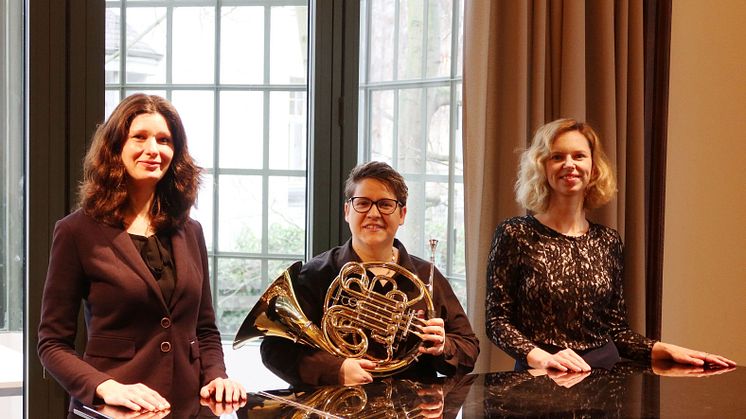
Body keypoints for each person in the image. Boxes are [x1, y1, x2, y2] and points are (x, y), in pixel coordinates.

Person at [37, 94, 246, 413]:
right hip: (114, 410)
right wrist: (106, 388)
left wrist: (217, 376)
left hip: (187, 409)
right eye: (140, 137)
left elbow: (204, 329)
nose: (153, 149)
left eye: (164, 140)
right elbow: (51, 345)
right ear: (116, 146)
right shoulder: (76, 231)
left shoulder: (191, 231)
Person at [485, 118, 736, 372]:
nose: (569, 164)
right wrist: (541, 358)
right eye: (557, 157)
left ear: (593, 168)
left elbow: (616, 331)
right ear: (542, 167)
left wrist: (664, 349)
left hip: (604, 376)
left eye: (579, 156)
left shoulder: (609, 240)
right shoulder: (514, 233)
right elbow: (497, 321)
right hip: (539, 377)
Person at [261, 161, 479, 386]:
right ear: (347, 211)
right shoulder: (317, 274)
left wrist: (443, 346)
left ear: (402, 214)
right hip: (335, 405)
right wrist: (336, 369)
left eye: (385, 204)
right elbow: (274, 349)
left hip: (410, 407)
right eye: (362, 203)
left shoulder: (426, 276)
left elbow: (469, 347)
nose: (373, 213)